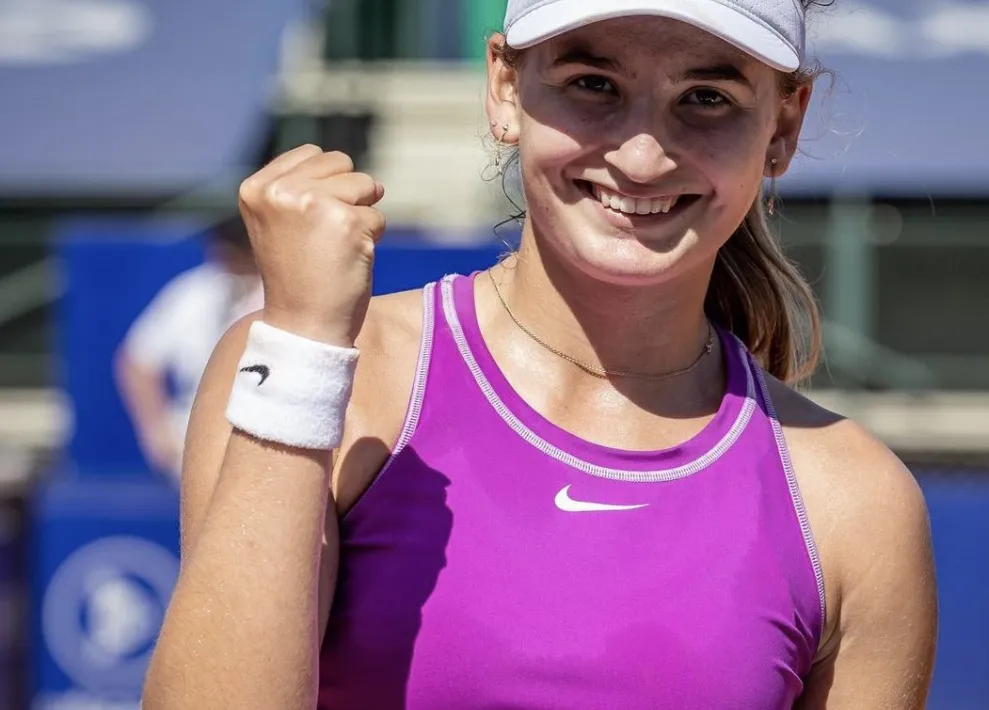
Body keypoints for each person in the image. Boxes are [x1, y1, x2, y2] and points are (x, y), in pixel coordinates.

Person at [143, 0, 938, 708]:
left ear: (785, 126)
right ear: (504, 89)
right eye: (594, 84)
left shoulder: (853, 502)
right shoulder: (321, 372)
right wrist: (306, 344)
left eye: (706, 98)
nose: (642, 157)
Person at [114, 217, 263, 480]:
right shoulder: (194, 291)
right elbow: (137, 361)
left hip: (262, 436)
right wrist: (156, 431)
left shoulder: (286, 293)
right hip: (192, 434)